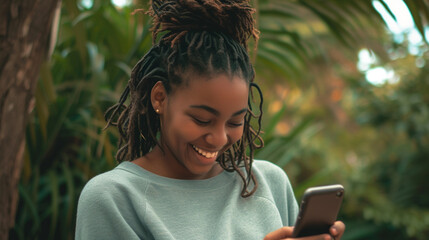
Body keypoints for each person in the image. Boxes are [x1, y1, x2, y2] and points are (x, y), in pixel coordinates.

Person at [75, 0, 345, 239]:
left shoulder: (268, 183)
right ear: (159, 98)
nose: (219, 138)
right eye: (202, 119)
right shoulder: (113, 198)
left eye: (235, 122)